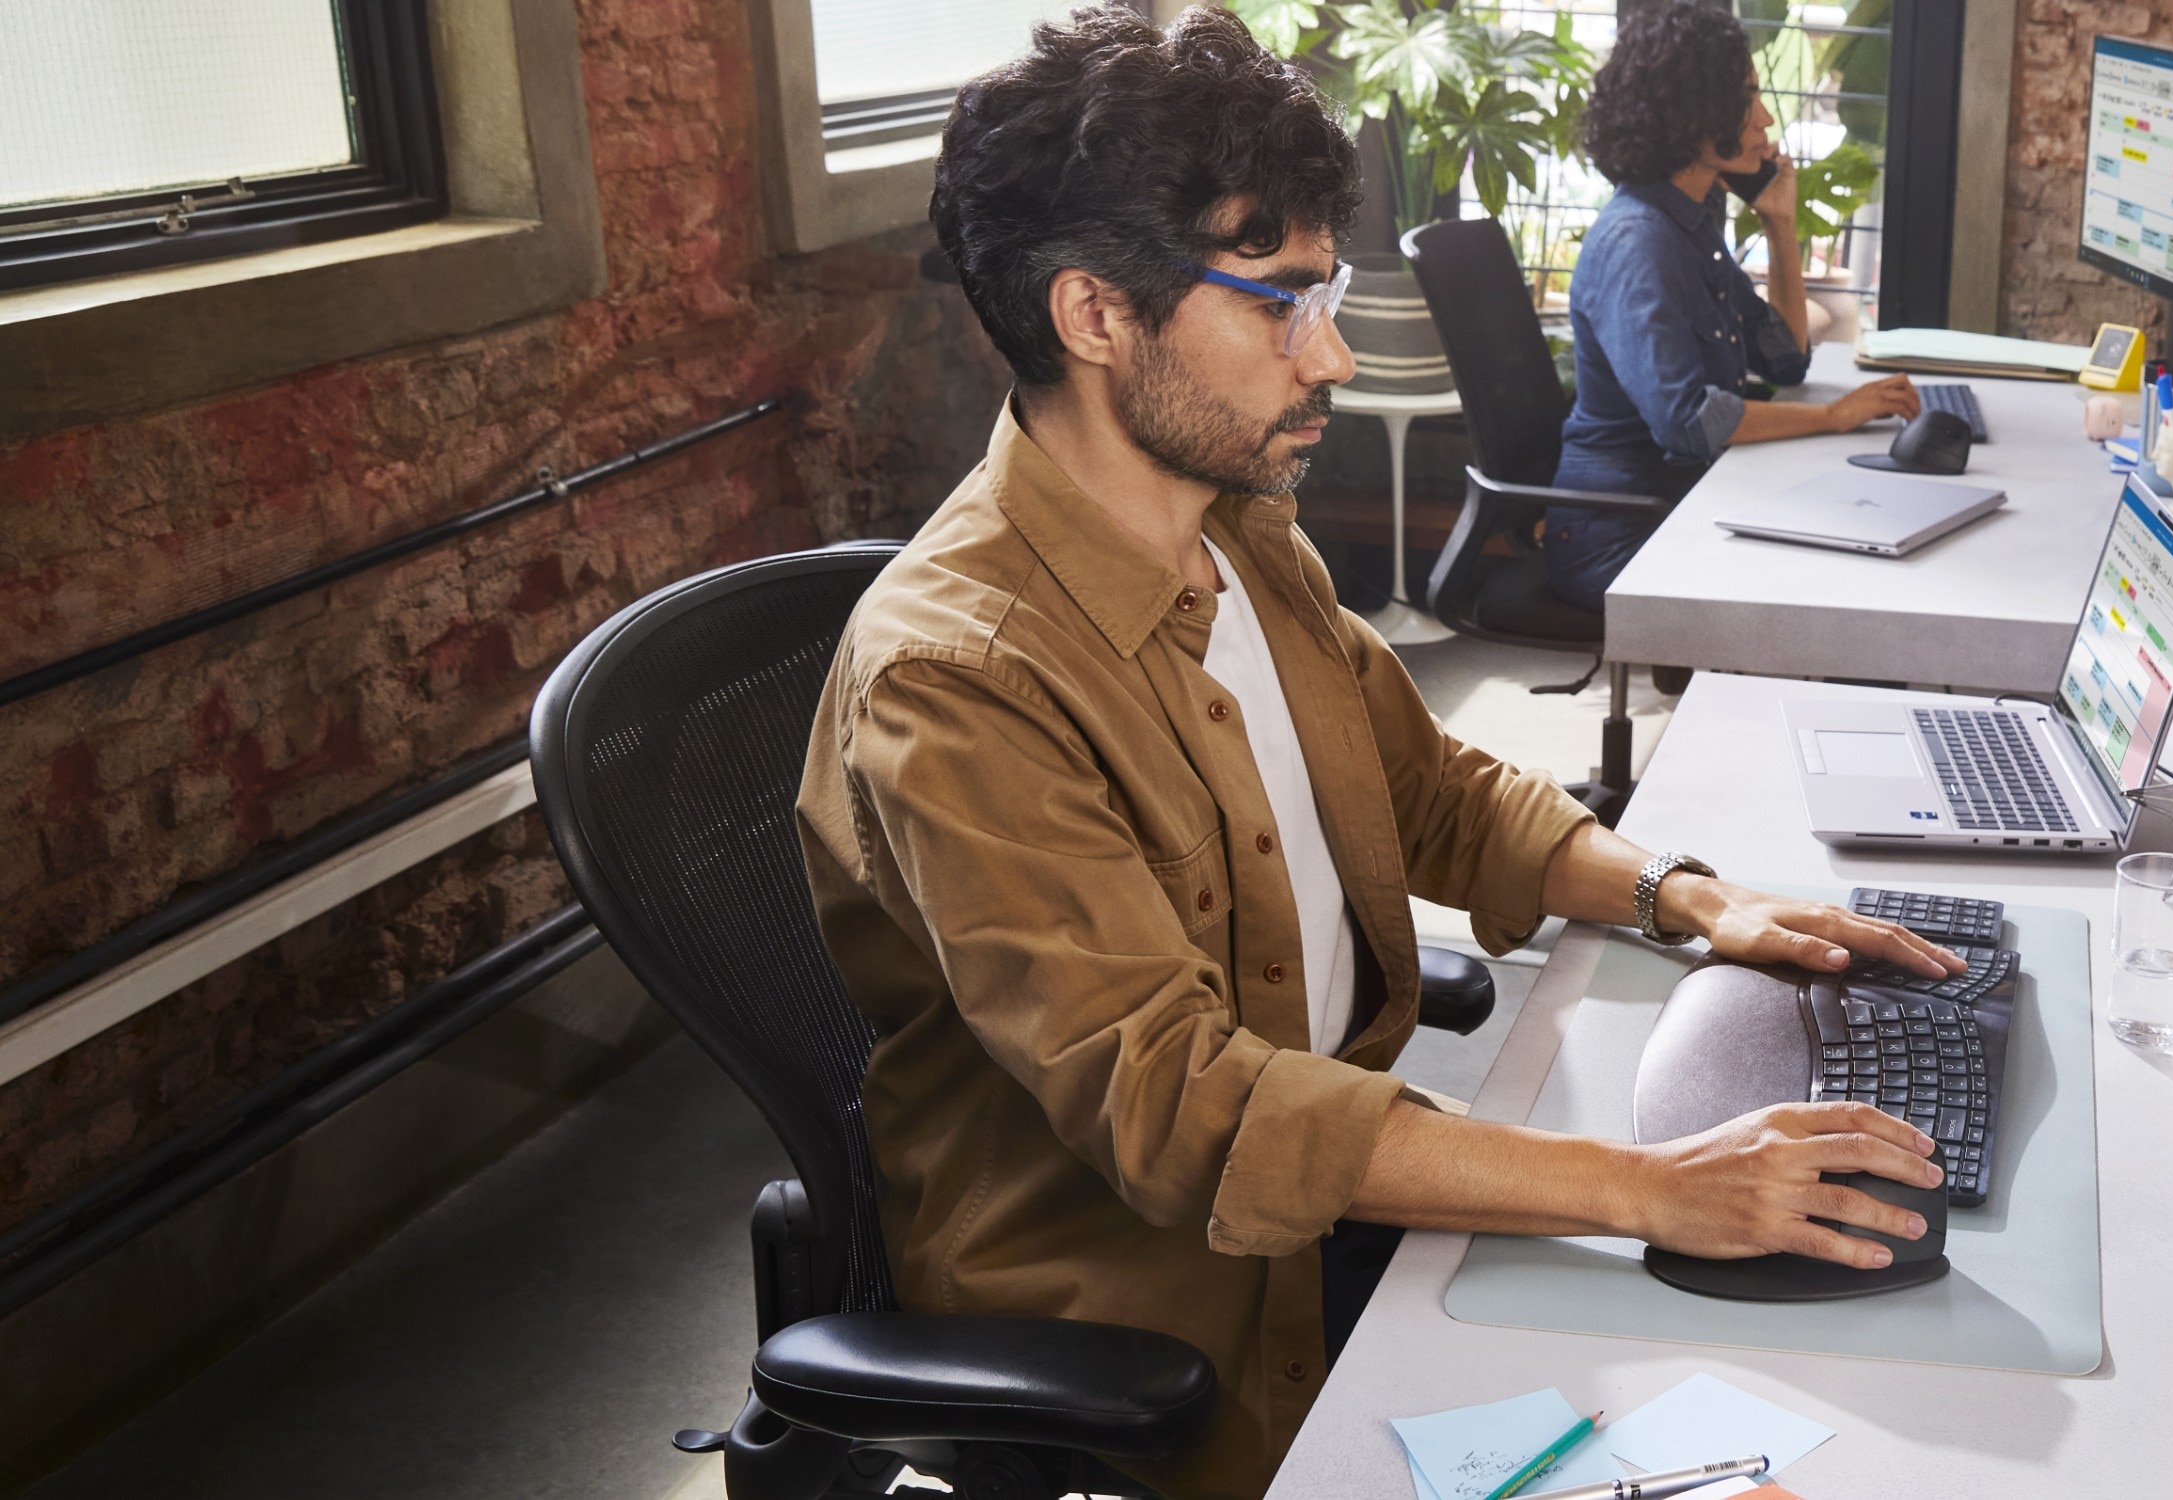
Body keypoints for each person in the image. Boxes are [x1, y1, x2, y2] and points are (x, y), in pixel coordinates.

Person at [798, 10, 1962, 1496]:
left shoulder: (1238, 531)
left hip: (1347, 1216)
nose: (1332, 352)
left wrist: (1686, 896)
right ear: (1096, 316)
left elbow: (1430, 787)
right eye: (1282, 303)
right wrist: (1651, 1190)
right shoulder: (959, 679)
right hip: (1169, 1323)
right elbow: (1182, 1105)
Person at [1543, 0, 1922, 609]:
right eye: (1747, 99)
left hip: (1683, 501)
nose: (1766, 119)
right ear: (1692, 116)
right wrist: (1832, 417)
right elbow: (1689, 421)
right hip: (1620, 534)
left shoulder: (1686, 223)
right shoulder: (1638, 240)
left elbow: (1785, 360)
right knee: (1847, 579)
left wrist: (1779, 223)